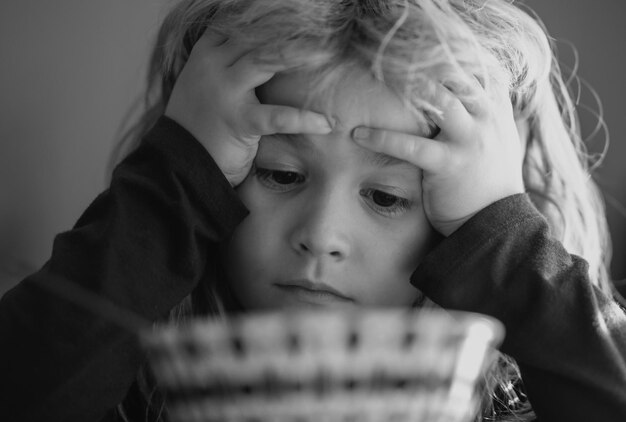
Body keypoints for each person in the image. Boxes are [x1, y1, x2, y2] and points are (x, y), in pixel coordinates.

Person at [1, 0, 625, 421]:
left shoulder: (523, 400)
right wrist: (173, 184)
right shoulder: (125, 390)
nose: (321, 236)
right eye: (280, 174)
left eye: (385, 197)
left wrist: (506, 244)